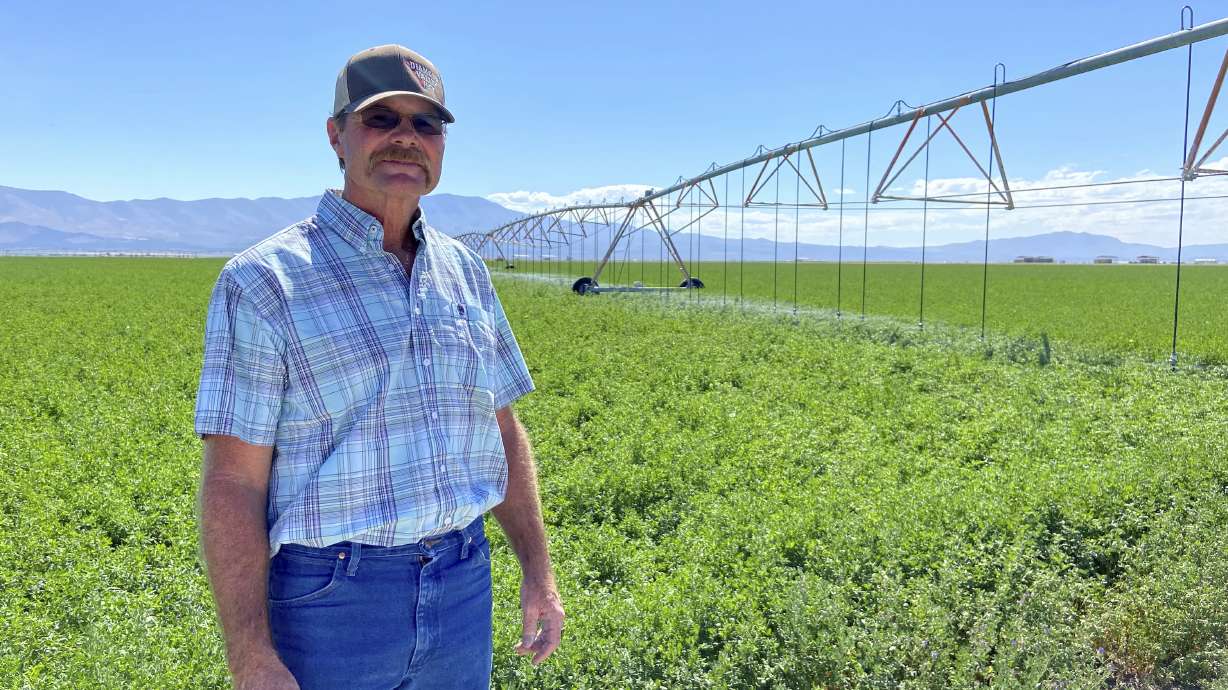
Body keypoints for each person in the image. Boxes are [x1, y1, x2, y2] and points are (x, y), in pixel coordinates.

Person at [193, 44, 564, 690]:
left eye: (426, 124)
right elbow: (235, 482)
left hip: (463, 585)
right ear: (336, 136)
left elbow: (501, 429)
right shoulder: (263, 283)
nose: (405, 139)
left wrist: (538, 570)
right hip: (332, 604)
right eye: (381, 119)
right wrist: (251, 654)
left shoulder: (465, 272)